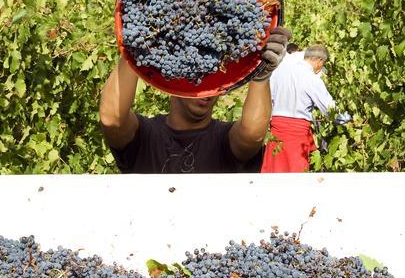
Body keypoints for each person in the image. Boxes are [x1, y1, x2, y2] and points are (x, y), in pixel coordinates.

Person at [99, 27, 291, 173]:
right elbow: (112, 119)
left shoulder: (224, 140)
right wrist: (134, 49)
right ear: (172, 78)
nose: (208, 91)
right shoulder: (146, 137)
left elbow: (252, 135)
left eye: (214, 82)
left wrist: (260, 77)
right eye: (197, 78)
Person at [261, 43, 342, 173]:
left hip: (276, 129)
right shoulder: (312, 78)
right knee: (296, 176)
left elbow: (268, 97)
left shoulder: (281, 71)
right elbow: (329, 110)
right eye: (323, 64)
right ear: (319, 61)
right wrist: (347, 120)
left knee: (274, 172)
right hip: (296, 134)